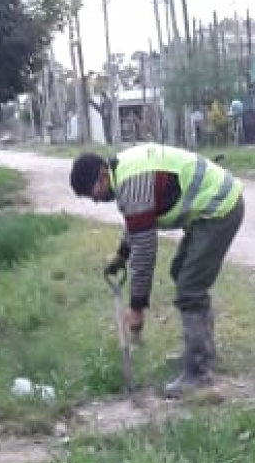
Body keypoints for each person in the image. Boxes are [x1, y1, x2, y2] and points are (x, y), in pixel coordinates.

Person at [70, 142, 245, 394]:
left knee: (190, 286)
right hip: (210, 209)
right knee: (181, 271)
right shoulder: (124, 174)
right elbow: (138, 222)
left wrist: (137, 306)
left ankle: (198, 372)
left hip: (220, 208)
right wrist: (121, 255)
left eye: (93, 193)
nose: (96, 200)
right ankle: (202, 350)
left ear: (102, 174)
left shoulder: (130, 182)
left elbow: (145, 248)